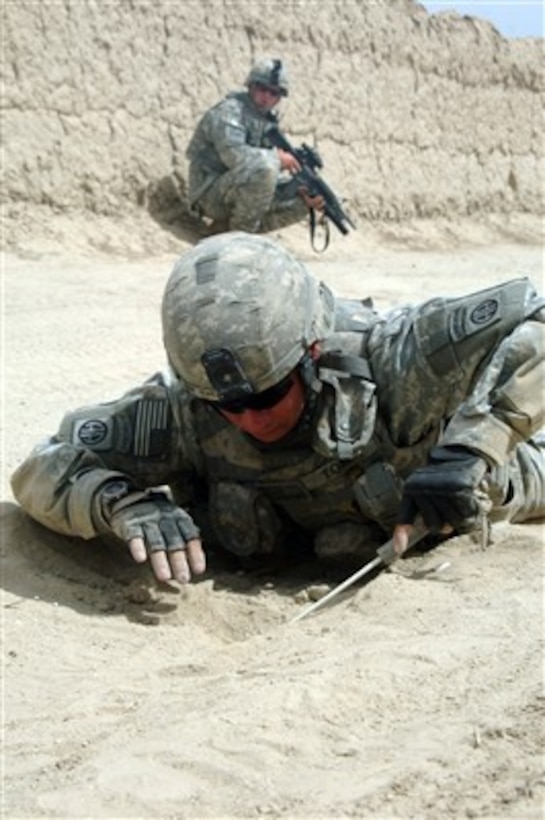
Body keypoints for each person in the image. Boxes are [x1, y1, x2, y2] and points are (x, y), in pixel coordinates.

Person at [11, 233, 545, 586]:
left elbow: (536, 316)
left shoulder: (396, 356)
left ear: (312, 352)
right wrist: (121, 504)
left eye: (266, 395)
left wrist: (474, 447)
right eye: (226, 407)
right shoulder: (181, 411)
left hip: (504, 481)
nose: (248, 419)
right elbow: (44, 467)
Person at [186, 57, 323, 235]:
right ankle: (240, 238)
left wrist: (297, 187)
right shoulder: (230, 111)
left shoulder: (267, 121)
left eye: (273, 93)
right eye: (262, 89)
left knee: (302, 201)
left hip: (238, 190)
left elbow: (263, 176)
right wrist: (277, 159)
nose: (266, 96)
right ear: (251, 85)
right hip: (209, 195)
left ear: (279, 98)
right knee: (265, 168)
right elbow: (234, 157)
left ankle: (225, 231)